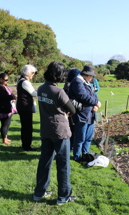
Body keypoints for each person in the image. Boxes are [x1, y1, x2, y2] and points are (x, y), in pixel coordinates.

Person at [33, 61, 76, 205]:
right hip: (60, 132)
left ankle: (39, 192)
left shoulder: (40, 89)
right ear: (59, 74)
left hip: (46, 130)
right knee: (63, 164)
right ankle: (63, 196)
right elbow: (72, 109)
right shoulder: (59, 91)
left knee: (44, 162)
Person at [68, 65, 101, 162]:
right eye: (91, 76)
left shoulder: (86, 82)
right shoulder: (77, 81)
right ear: (86, 74)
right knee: (80, 137)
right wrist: (95, 103)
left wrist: (96, 104)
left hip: (90, 115)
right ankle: (77, 156)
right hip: (82, 115)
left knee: (88, 137)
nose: (92, 78)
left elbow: (93, 95)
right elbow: (83, 96)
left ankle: (85, 154)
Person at [16, 65, 38, 151]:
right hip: (25, 107)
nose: (33, 75)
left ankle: (26, 143)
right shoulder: (25, 82)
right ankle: (27, 146)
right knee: (27, 127)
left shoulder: (21, 80)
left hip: (22, 106)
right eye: (33, 73)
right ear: (29, 73)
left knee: (25, 126)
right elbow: (34, 93)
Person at [0, 73, 17, 145]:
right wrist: (12, 98)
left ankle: (6, 137)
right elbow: (4, 97)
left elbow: (11, 94)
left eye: (7, 80)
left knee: (7, 123)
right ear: (1, 79)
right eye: (6, 80)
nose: (7, 81)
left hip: (8, 107)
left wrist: (14, 97)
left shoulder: (4, 86)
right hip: (2, 108)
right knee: (4, 124)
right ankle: (4, 139)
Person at [63, 68, 81, 151]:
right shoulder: (70, 85)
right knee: (72, 129)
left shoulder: (67, 84)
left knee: (71, 129)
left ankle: (70, 146)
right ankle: (70, 147)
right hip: (71, 111)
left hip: (69, 110)